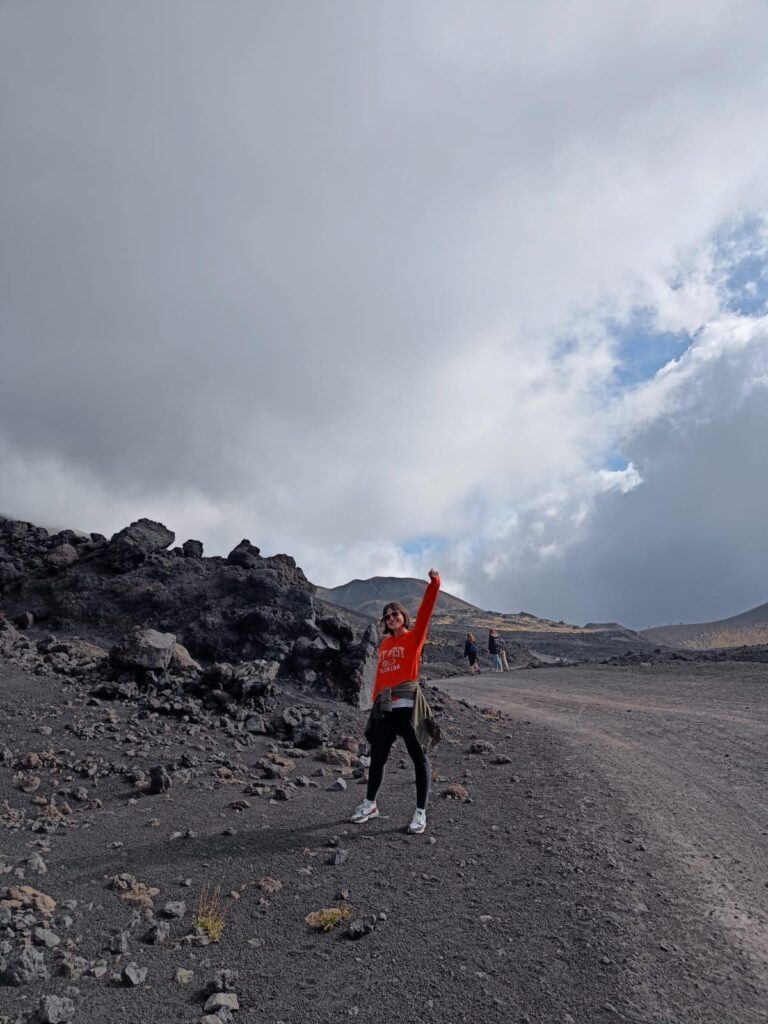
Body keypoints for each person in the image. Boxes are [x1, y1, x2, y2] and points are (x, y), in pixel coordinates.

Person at [351, 569, 442, 835]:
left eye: (395, 614)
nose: (391, 618)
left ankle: (420, 813)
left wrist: (434, 584)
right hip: (386, 710)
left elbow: (426, 611)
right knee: (378, 757)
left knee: (418, 757)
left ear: (404, 617)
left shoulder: (414, 638)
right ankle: (370, 805)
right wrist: (375, 704)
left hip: (409, 708)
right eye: (387, 616)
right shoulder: (384, 646)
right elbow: (381, 676)